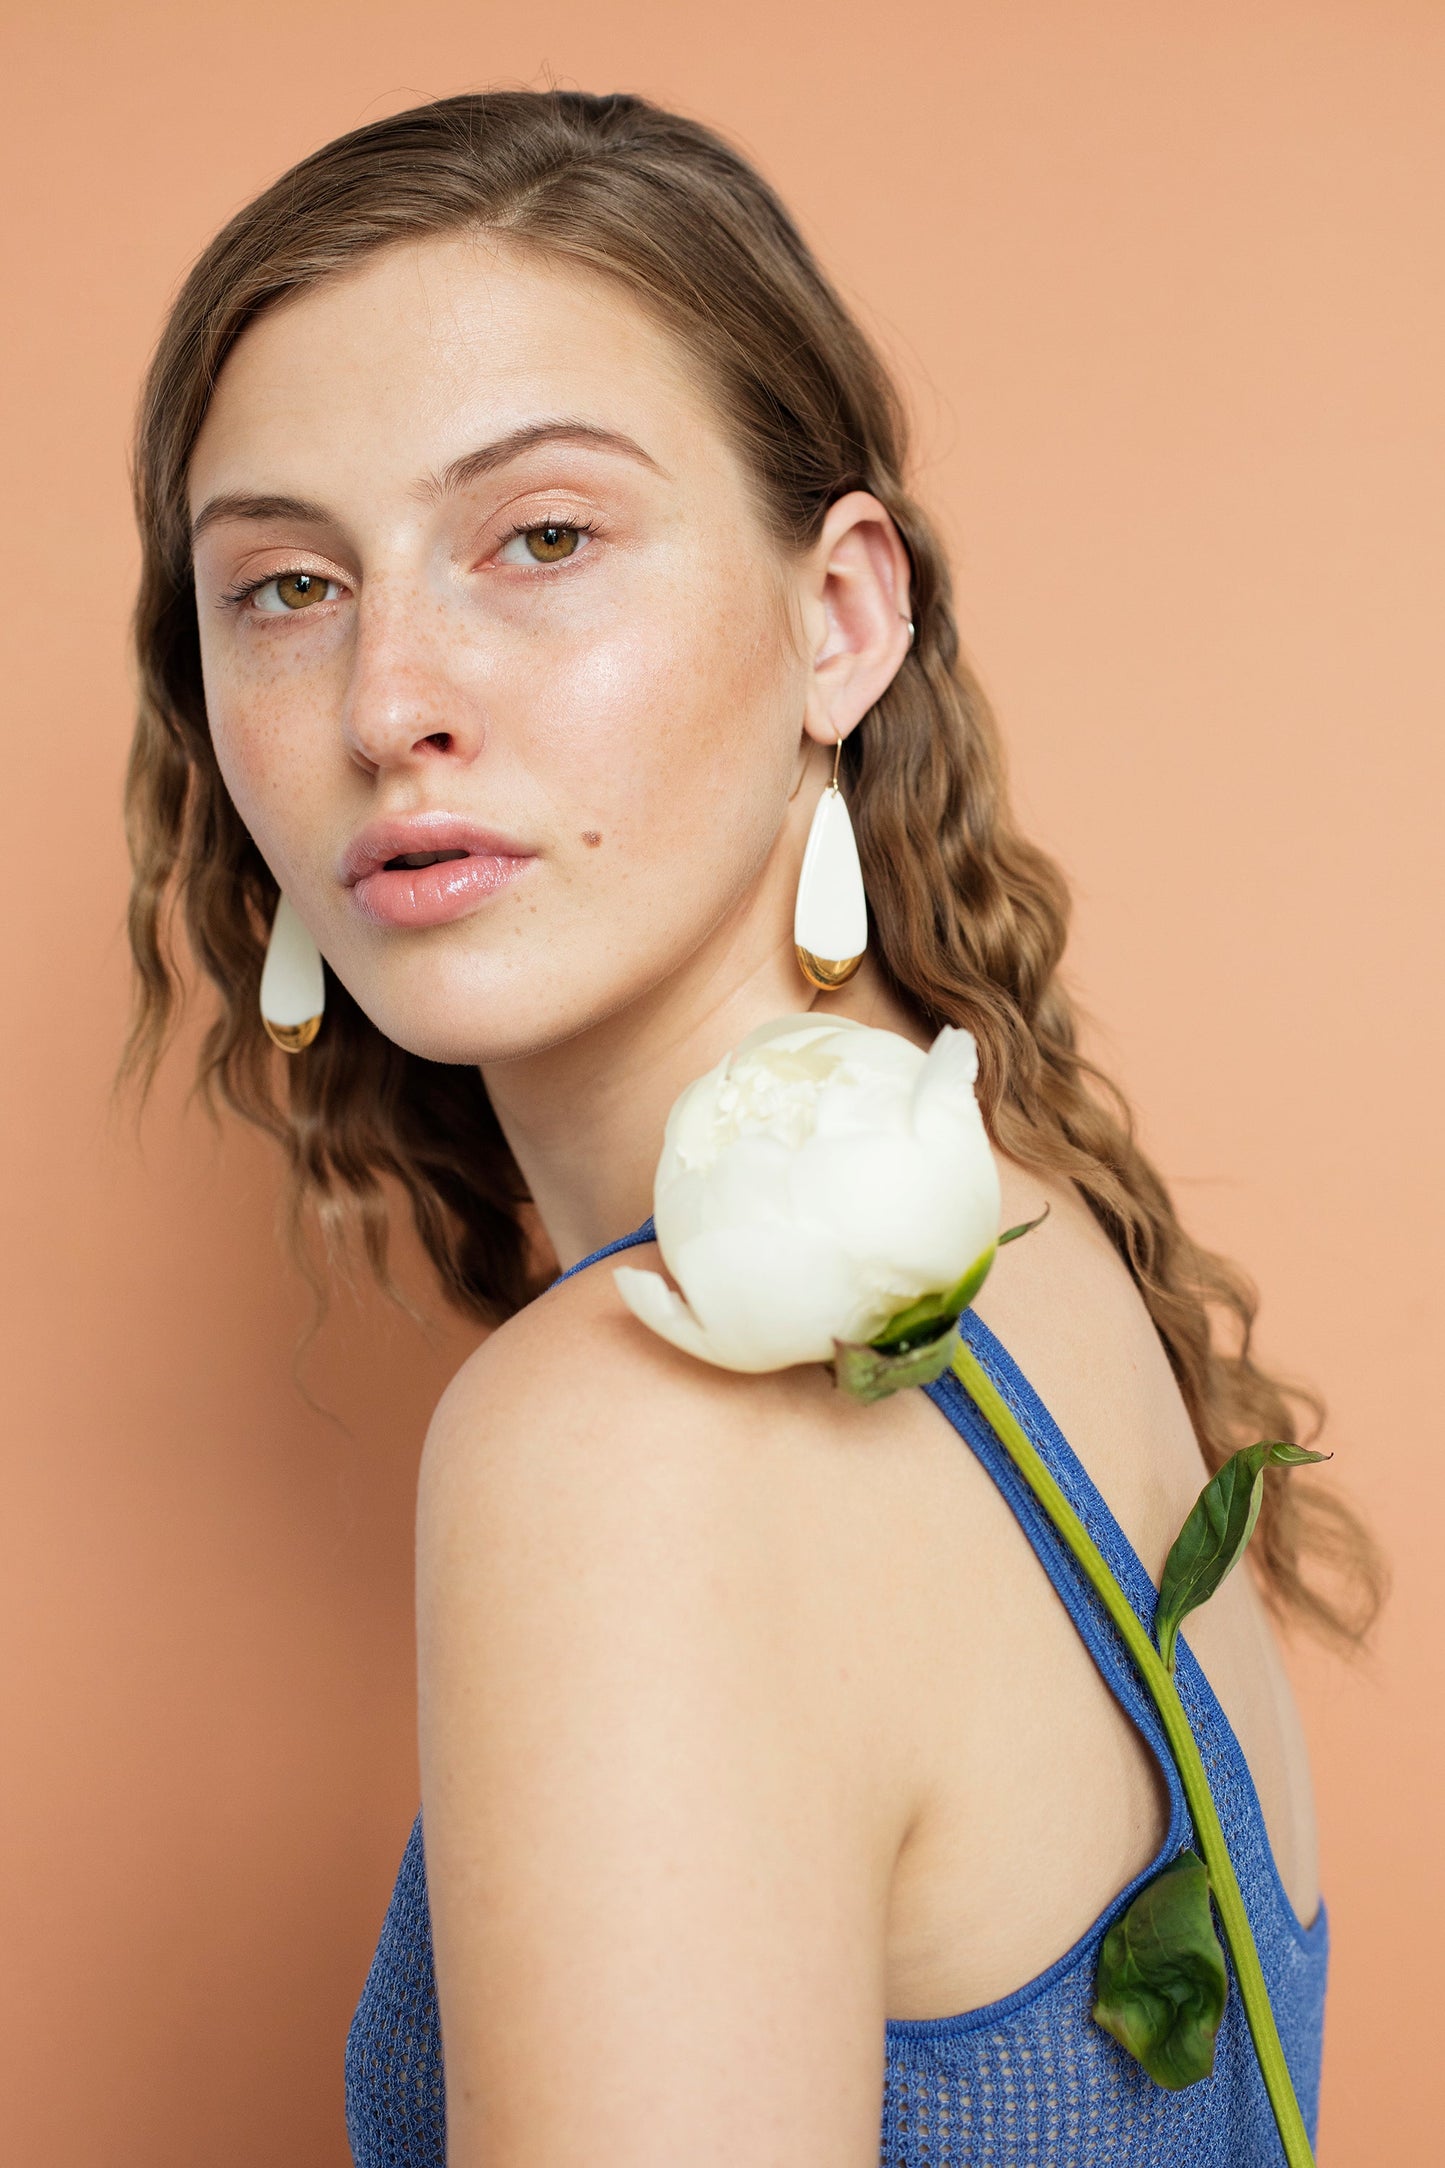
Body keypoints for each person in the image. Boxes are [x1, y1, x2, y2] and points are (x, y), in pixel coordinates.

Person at [124, 89, 1379, 2168]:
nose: (386, 699)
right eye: (283, 586)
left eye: (540, 537)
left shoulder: (627, 1451)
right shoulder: (1035, 1243)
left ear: (842, 618)